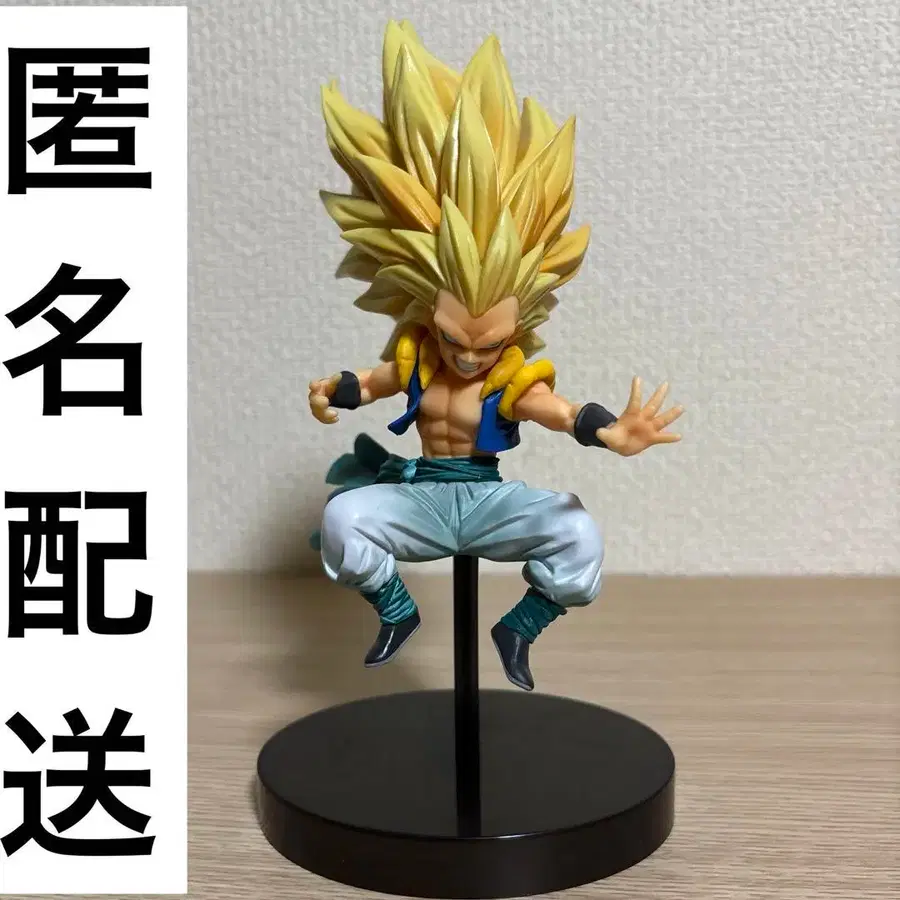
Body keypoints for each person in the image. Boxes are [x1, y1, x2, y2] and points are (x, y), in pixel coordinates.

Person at [309, 21, 683, 691]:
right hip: (422, 500)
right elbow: (369, 383)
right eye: (454, 339)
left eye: (487, 343)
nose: (469, 357)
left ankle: (519, 627)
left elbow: (560, 412)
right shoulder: (417, 359)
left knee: (579, 533)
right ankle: (396, 610)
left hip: (487, 500)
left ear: (518, 323)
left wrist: (612, 434)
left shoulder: (510, 378)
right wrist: (329, 391)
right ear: (427, 312)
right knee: (343, 518)